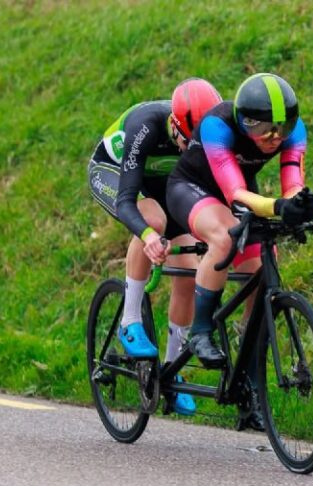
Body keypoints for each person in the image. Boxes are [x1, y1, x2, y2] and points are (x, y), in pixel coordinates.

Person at [167, 73, 313, 430]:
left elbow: (292, 182)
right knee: (223, 237)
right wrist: (279, 206)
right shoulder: (217, 127)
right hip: (193, 188)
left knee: (261, 270)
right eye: (266, 130)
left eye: (284, 128)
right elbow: (234, 193)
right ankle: (200, 330)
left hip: (240, 193)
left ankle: (249, 383)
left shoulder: (292, 134)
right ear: (244, 120)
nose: (276, 138)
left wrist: (300, 202)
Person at [87, 78, 222, 416]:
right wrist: (147, 236)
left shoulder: (209, 134)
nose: (190, 148)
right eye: (186, 140)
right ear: (174, 125)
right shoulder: (146, 125)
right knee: (153, 221)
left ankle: (171, 368)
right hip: (115, 173)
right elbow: (127, 200)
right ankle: (129, 321)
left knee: (190, 269)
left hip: (162, 182)